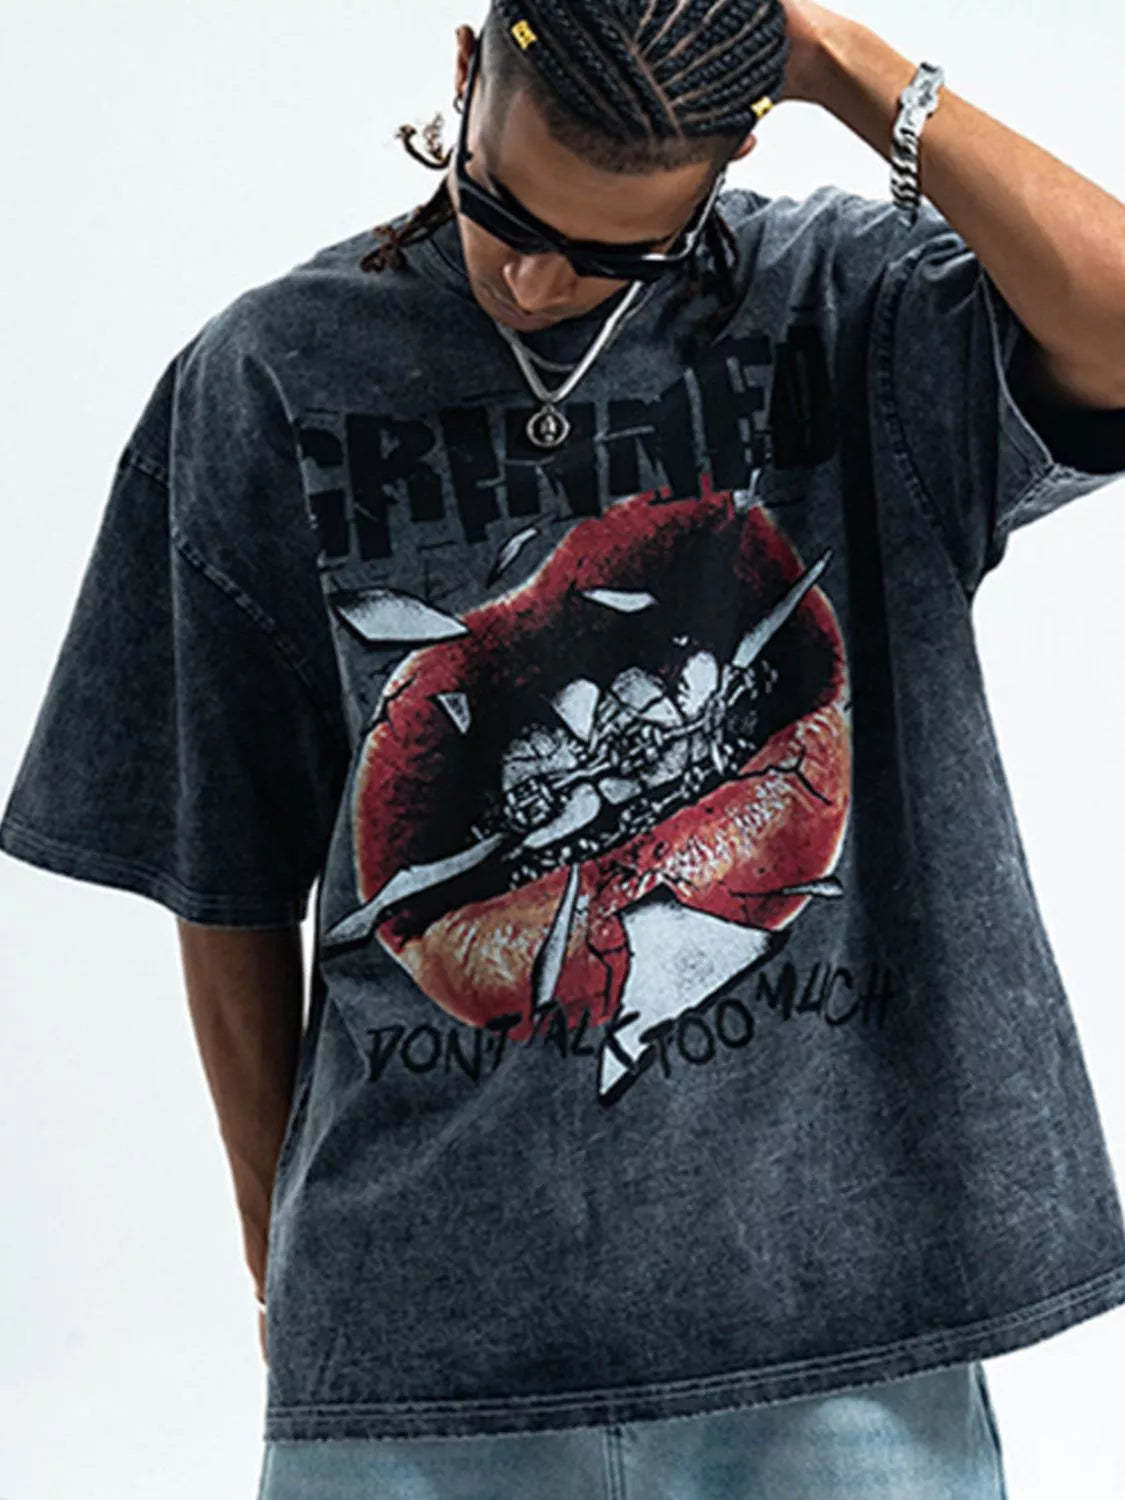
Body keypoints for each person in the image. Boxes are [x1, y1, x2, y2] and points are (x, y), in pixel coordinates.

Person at [4, 1, 1125, 1495]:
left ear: (728, 159)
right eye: (501, 209)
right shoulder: (272, 376)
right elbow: (224, 873)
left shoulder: (843, 309)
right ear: (464, 72)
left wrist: (836, 61)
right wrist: (285, 1256)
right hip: (420, 1362)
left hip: (841, 1350)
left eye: (610, 256)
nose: (533, 278)